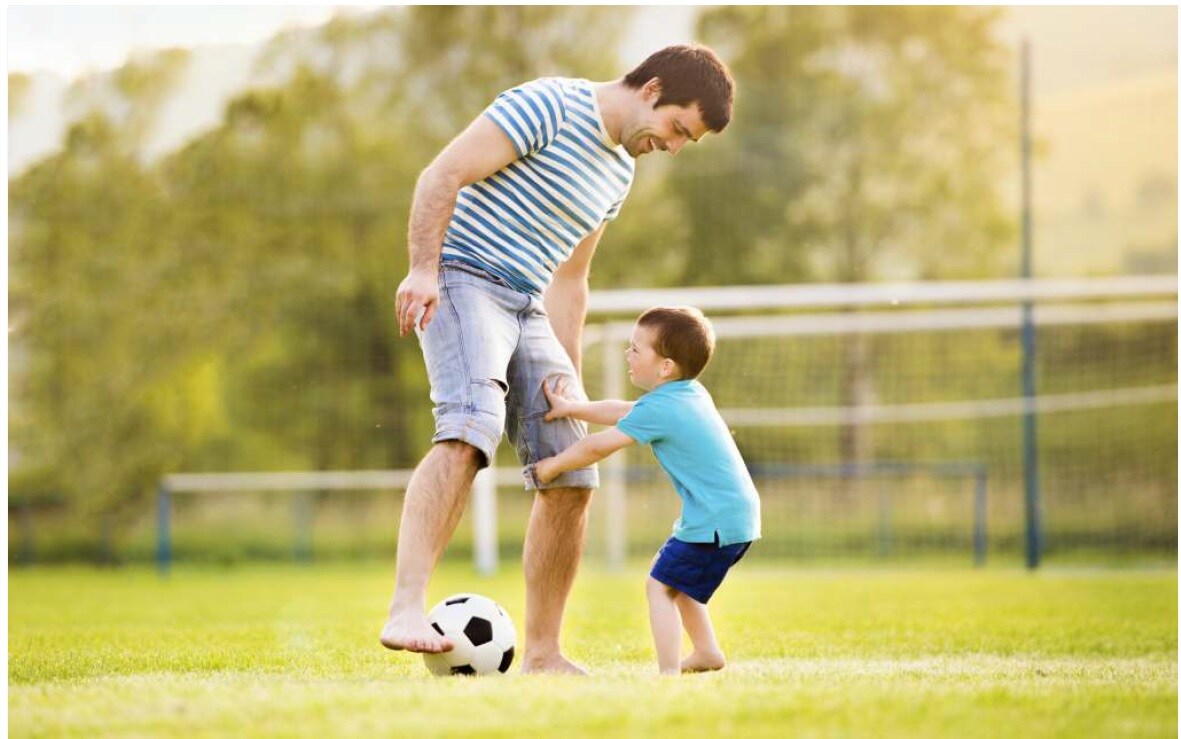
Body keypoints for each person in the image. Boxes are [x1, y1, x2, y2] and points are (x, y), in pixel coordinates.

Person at [380, 45, 736, 674]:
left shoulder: (618, 173)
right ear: (652, 90)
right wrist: (422, 269)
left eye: (687, 142)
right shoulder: (549, 105)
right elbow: (441, 175)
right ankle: (406, 607)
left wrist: (566, 388)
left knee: (572, 473)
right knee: (470, 425)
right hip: (465, 280)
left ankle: (543, 651)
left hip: (528, 303)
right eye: (678, 128)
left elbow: (570, 281)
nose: (674, 146)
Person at [526, 306, 761, 675]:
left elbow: (598, 446)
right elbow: (624, 411)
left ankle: (668, 674)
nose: (627, 354)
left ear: (665, 366)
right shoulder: (686, 394)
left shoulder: (664, 408)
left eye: (636, 349)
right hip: (735, 517)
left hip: (716, 520)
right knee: (674, 580)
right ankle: (706, 652)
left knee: (660, 587)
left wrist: (552, 465)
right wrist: (572, 408)